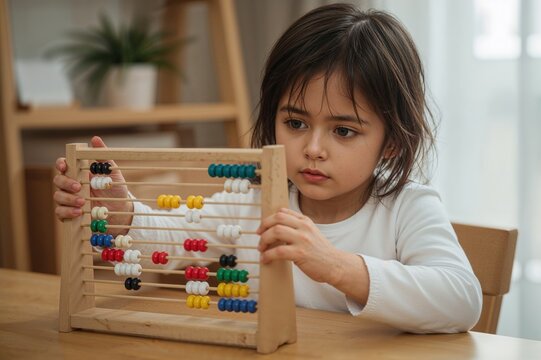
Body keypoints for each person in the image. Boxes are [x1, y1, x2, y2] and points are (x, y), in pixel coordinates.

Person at [54, 3, 482, 333]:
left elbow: (462, 300)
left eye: (344, 131)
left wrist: (335, 265)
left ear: (390, 141)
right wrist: (119, 209)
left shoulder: (408, 209)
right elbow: (168, 243)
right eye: (295, 123)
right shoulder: (253, 203)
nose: (313, 148)